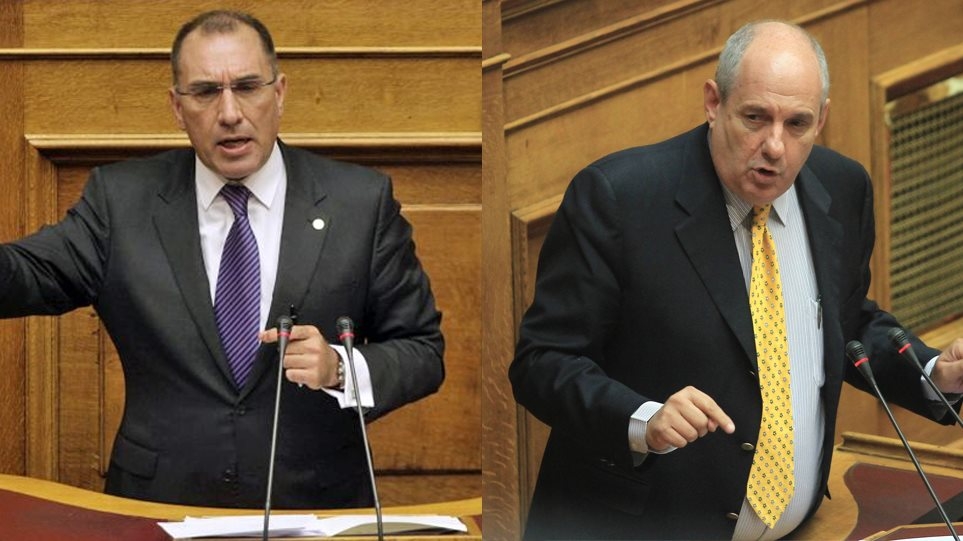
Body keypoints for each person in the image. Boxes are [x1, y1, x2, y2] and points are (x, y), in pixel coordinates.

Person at [510, 20, 963, 540]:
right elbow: (542, 362)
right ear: (713, 102)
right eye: (755, 118)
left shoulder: (842, 187)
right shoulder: (618, 199)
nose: (775, 146)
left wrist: (931, 372)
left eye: (797, 124)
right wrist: (643, 419)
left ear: (821, 120)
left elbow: (844, 321)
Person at [0, 10, 444, 508]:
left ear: (279, 93)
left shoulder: (358, 203)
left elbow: (422, 350)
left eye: (248, 87)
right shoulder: (120, 201)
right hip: (162, 505)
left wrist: (340, 368)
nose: (230, 112)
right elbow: (25, 275)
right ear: (177, 106)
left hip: (315, 505)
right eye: (206, 92)